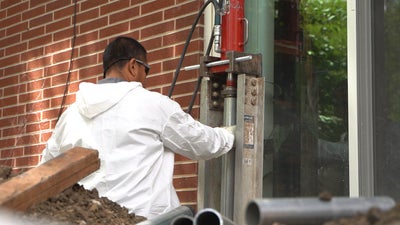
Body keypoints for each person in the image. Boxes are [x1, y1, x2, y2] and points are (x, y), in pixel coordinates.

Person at [40, 36, 235, 219]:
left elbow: (46, 169)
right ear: (133, 66)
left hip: (92, 219)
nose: (146, 77)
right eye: (146, 70)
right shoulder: (152, 105)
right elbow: (200, 142)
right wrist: (230, 135)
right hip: (144, 220)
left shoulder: (70, 116)